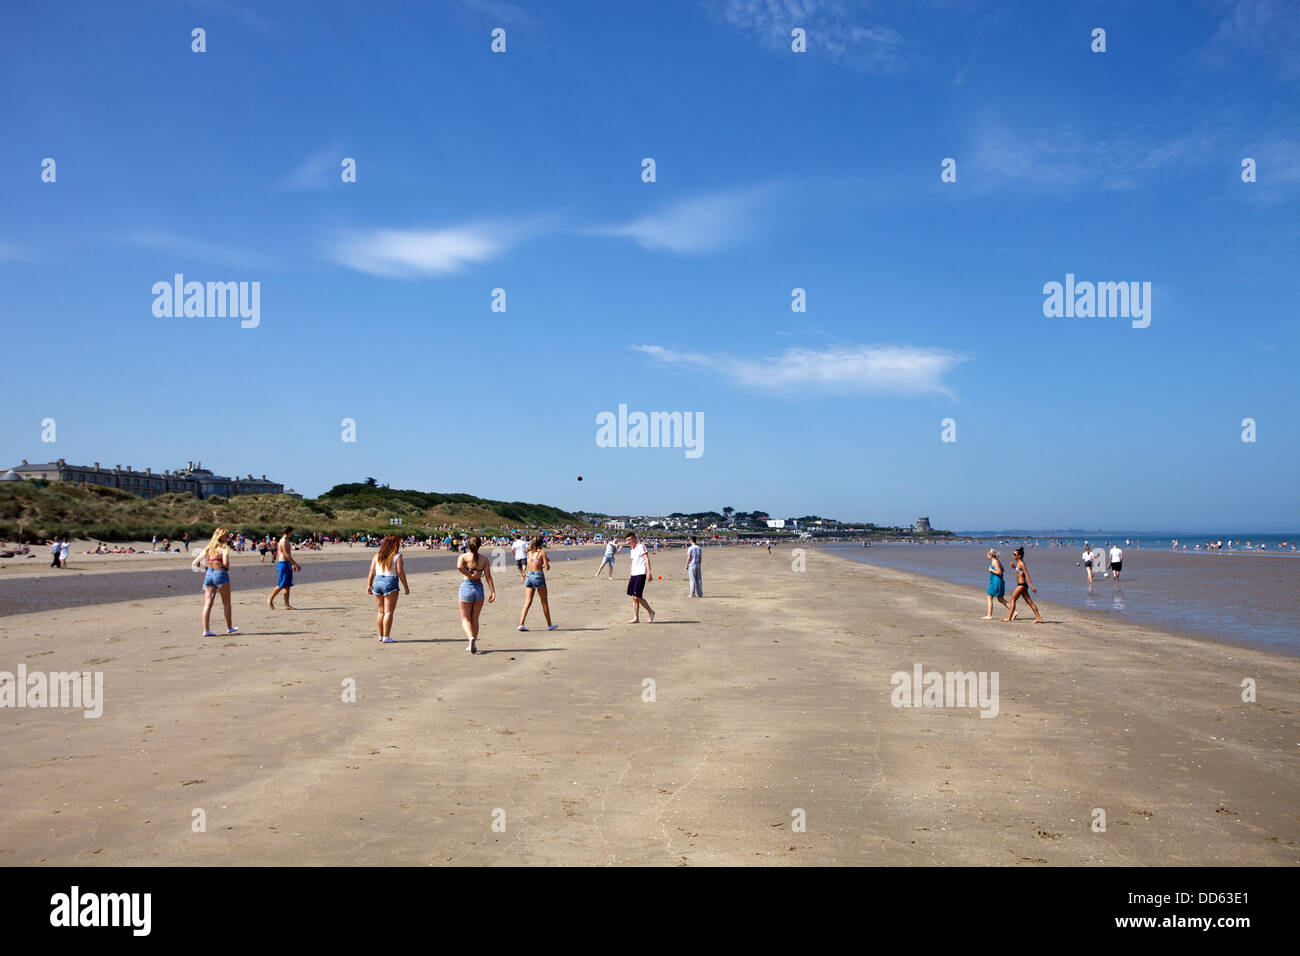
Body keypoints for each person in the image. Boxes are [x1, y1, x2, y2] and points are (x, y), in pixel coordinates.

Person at [195, 527, 238, 637]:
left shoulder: (209, 548)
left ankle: (206, 630)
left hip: (209, 574)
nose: (227, 537)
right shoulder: (224, 548)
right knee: (226, 602)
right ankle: (229, 627)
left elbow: (196, 562)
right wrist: (222, 566)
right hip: (220, 573)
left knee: (208, 603)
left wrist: (206, 567)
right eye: (226, 535)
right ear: (221, 536)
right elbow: (226, 564)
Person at [367, 534, 409, 643]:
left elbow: (372, 570)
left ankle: (380, 635)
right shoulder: (397, 556)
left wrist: (369, 584)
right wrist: (406, 586)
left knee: (381, 611)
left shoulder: (378, 555)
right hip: (390, 581)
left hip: (377, 581)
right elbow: (400, 572)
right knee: (388, 612)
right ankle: (386, 636)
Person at [457, 536, 495, 653]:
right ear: (479, 545)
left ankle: (470, 638)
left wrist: (468, 574)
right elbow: (488, 576)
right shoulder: (484, 559)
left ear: (468, 545)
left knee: (465, 619)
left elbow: (459, 566)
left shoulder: (463, 557)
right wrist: (492, 591)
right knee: (475, 619)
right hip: (479, 588)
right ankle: (472, 643)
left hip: (466, 587)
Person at [518, 536, 557, 631]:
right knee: (544, 602)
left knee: (527, 602)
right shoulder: (542, 552)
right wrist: (546, 561)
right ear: (541, 544)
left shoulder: (529, 552)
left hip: (529, 576)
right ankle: (549, 625)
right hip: (538, 576)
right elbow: (547, 568)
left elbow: (531, 564)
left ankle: (521, 624)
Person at [1002, 546, 1043, 623]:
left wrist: (1031, 586)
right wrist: (1014, 567)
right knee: (1029, 602)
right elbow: (1020, 572)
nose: (1013, 555)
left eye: (1014, 554)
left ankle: (1009, 618)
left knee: (1013, 599)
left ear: (1019, 556)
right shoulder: (1018, 564)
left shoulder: (1021, 563)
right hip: (1022, 585)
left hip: (1021, 585)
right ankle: (1039, 618)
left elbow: (1026, 574)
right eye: (1013, 554)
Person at [268, 526, 302, 609]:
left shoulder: (286, 540)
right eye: (291, 532)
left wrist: (291, 564)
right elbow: (286, 554)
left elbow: (288, 555)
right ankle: (270, 599)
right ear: (289, 532)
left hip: (286, 563)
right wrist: (295, 564)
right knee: (282, 584)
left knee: (288, 585)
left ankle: (286, 605)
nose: (292, 533)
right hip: (283, 563)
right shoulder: (283, 541)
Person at [625, 533, 655, 623]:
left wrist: (649, 572)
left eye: (630, 540)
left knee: (636, 596)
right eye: (628, 540)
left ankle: (651, 611)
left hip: (641, 573)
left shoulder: (641, 546)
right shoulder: (632, 550)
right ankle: (636, 618)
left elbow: (646, 558)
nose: (629, 542)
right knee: (633, 597)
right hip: (634, 574)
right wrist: (631, 573)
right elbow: (633, 562)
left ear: (635, 539)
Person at [983, 548, 1009, 619]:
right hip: (998, 581)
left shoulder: (994, 562)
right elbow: (1003, 569)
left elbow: (1000, 572)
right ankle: (1014, 612)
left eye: (988, 555)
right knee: (1000, 599)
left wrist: (991, 570)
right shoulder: (998, 561)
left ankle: (989, 615)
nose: (987, 556)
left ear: (991, 555)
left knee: (989, 597)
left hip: (995, 582)